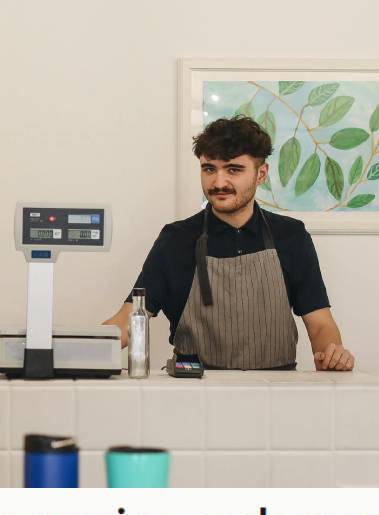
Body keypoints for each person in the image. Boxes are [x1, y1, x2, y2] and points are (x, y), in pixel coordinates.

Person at [103, 116, 354, 371]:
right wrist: (78, 347)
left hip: (276, 393)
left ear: (261, 174)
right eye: (209, 169)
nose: (219, 182)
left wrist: (332, 355)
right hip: (192, 393)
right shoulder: (175, 239)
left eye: (233, 170)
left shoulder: (291, 235)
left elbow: (320, 323)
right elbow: (130, 318)